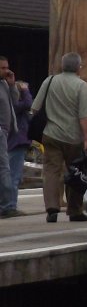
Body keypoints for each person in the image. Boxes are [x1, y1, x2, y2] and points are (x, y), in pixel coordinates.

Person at [30, 52, 87, 223]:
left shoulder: (49, 81)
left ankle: (52, 207)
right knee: (76, 172)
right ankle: (74, 210)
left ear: (62, 65)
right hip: (74, 137)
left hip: (51, 134)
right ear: (78, 67)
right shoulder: (81, 86)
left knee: (51, 171)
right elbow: (85, 116)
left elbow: (35, 107)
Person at [3, 68, 33, 217]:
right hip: (17, 142)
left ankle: (9, 203)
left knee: (12, 175)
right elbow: (28, 104)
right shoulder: (15, 105)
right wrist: (25, 90)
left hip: (12, 142)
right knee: (13, 176)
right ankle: (11, 205)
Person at [0, 57, 18, 219]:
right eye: (2, 68)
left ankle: (6, 204)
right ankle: (7, 205)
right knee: (4, 167)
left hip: (6, 131)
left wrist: (12, 85)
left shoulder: (5, 84)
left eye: (7, 67)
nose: (6, 71)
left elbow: (15, 101)